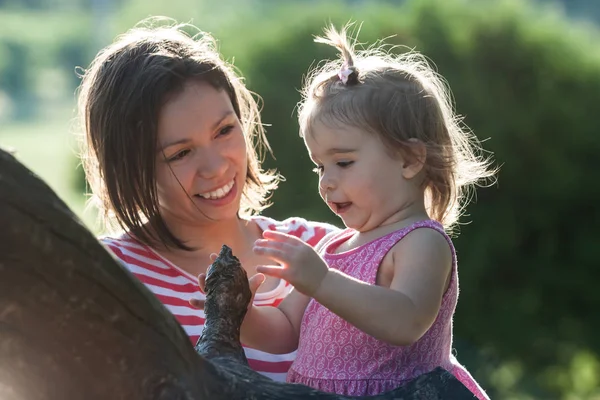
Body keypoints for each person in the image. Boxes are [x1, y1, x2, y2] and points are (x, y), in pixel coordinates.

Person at [193, 24, 495, 397]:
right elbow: (287, 329)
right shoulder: (334, 249)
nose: (326, 181)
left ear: (410, 159)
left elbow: (406, 320)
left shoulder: (421, 242)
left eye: (344, 163)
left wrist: (321, 281)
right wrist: (236, 315)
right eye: (320, 166)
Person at [75, 18, 339, 383]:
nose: (216, 167)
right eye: (181, 153)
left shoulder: (327, 248)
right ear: (130, 167)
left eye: (225, 130)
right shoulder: (108, 278)